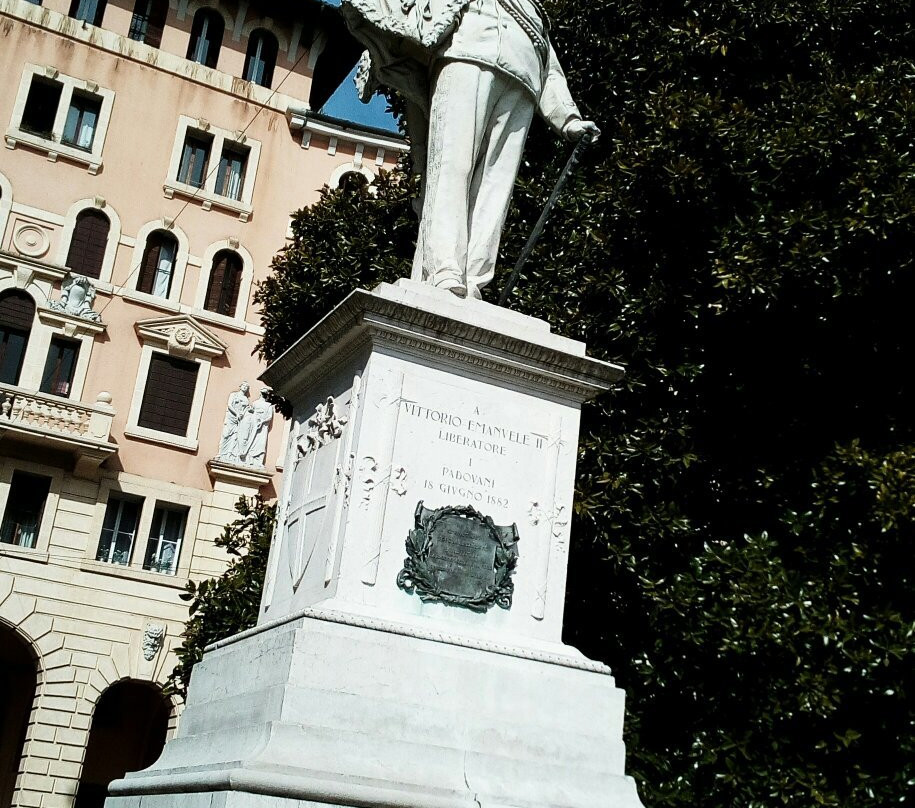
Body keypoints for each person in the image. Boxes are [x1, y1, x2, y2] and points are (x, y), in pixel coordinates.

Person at [342, 0, 599, 299]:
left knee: (496, 187)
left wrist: (568, 119)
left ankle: (475, 278)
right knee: (453, 165)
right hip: (467, 54)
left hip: (523, 81)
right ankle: (444, 268)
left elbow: (549, 67)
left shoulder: (533, 10)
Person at [217, 382, 249, 463]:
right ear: (240, 386)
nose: (245, 387)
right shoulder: (234, 395)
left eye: (247, 386)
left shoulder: (246, 399)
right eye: (244, 385)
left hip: (240, 420)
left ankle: (230, 454)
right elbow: (229, 405)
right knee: (226, 434)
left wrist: (243, 413)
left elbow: (246, 409)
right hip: (231, 418)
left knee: (235, 437)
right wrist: (236, 413)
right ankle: (221, 453)